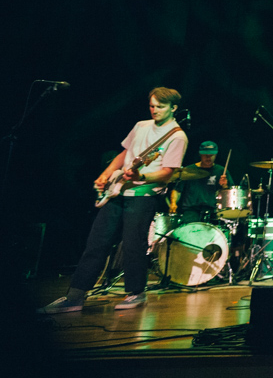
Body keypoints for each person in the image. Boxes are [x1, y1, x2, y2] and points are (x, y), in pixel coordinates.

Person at [39, 87, 188, 313]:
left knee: (133, 246)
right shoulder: (140, 125)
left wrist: (142, 176)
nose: (154, 110)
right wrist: (106, 174)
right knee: (96, 242)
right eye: (152, 105)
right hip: (117, 192)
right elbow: (123, 154)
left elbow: (168, 172)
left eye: (160, 106)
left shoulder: (177, 136)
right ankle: (75, 296)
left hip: (143, 196)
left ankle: (136, 293)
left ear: (173, 108)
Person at [168, 140, 231, 225]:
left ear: (216, 155)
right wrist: (173, 203)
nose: (208, 158)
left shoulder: (221, 171)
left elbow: (229, 195)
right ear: (200, 154)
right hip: (191, 211)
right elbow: (177, 190)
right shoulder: (188, 170)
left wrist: (225, 186)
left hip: (213, 211)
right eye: (205, 155)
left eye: (211, 155)